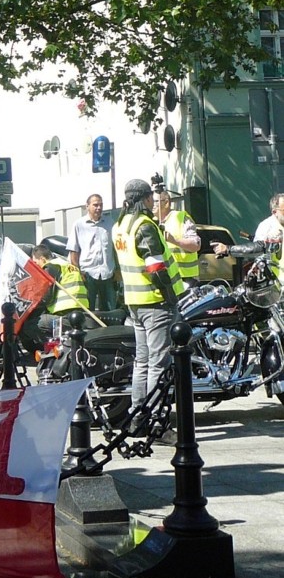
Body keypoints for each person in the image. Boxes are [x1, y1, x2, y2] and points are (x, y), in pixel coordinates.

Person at [112, 179, 184, 443]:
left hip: (135, 302)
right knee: (158, 363)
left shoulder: (119, 226)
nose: (153, 203)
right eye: (151, 199)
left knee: (142, 363)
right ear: (144, 199)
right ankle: (157, 422)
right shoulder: (144, 226)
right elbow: (156, 267)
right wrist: (171, 296)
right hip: (155, 303)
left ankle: (136, 417)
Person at [67, 193, 118, 311]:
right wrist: (78, 273)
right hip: (88, 274)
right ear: (87, 206)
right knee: (88, 310)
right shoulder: (79, 225)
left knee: (111, 310)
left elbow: (115, 248)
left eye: (101, 205)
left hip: (108, 274)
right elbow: (74, 250)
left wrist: (118, 270)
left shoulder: (110, 223)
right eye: (95, 205)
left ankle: (110, 329)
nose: (99, 208)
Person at [153, 188, 201, 289]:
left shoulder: (181, 217)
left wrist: (174, 240)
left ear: (166, 203)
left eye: (156, 201)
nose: (152, 204)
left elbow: (195, 245)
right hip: (165, 278)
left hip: (185, 277)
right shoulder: (152, 222)